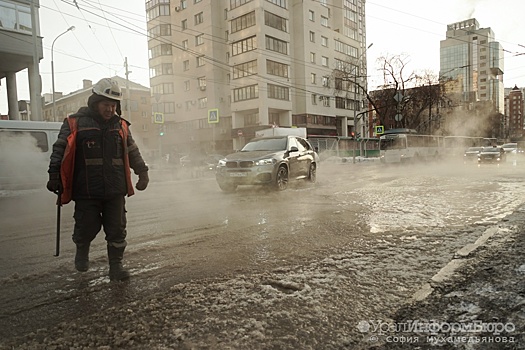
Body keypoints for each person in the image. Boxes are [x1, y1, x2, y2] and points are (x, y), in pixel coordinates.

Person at [46, 78, 149, 282]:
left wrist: (142, 171)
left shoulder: (121, 126)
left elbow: (132, 150)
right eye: (106, 105)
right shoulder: (75, 122)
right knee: (86, 227)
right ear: (95, 102)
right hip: (86, 189)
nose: (110, 109)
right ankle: (82, 252)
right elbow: (60, 148)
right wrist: (54, 173)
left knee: (117, 230)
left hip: (115, 189)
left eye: (113, 105)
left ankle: (116, 267)